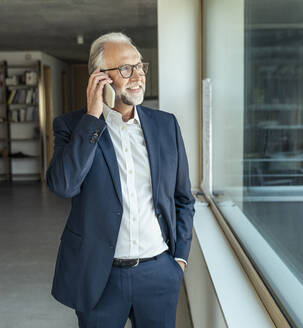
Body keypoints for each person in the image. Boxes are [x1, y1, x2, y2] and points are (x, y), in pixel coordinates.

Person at [46, 32, 195, 328]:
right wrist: (92, 118)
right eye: (126, 69)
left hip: (159, 274)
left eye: (140, 66)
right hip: (99, 277)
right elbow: (63, 185)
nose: (138, 76)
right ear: (100, 78)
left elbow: (183, 198)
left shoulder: (166, 125)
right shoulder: (72, 126)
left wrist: (179, 260)